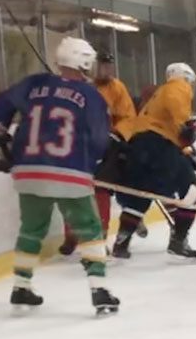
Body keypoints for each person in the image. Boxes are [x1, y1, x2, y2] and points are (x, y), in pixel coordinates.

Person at [0, 37, 120, 314]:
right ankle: (99, 289)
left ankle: (21, 286)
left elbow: (0, 105)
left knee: (31, 229)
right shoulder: (91, 95)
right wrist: (97, 160)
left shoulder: (34, 84)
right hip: (71, 173)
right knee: (89, 230)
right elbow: (99, 139)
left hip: (29, 171)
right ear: (86, 63)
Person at [112, 62, 196, 260]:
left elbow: (171, 136)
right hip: (159, 147)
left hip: (138, 148)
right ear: (187, 78)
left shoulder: (158, 97)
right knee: (191, 191)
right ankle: (178, 242)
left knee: (140, 195)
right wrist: (188, 129)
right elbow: (181, 131)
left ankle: (121, 243)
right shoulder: (178, 86)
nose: (190, 87)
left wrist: (190, 154)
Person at [57, 50, 138, 258]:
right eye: (102, 67)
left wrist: (116, 134)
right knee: (73, 190)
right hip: (77, 146)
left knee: (101, 192)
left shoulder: (117, 87)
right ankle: (71, 234)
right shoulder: (80, 86)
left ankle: (99, 237)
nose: (107, 71)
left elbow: (128, 116)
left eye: (110, 67)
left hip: (105, 146)